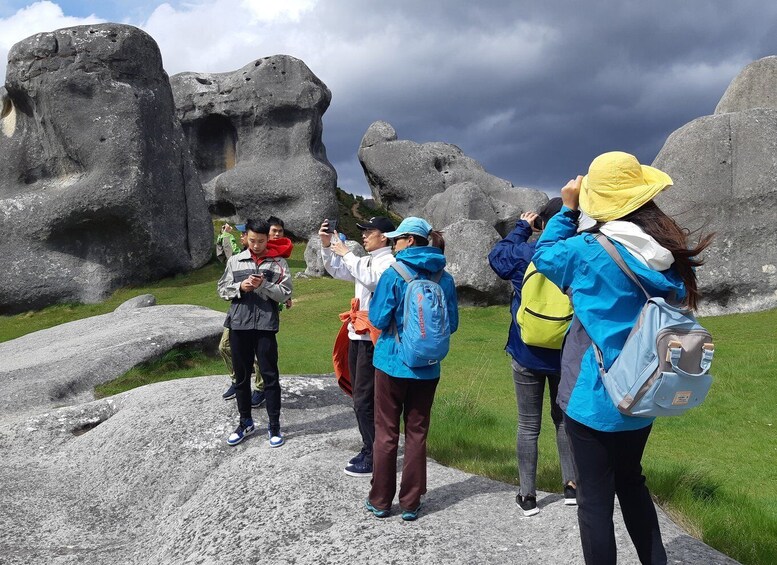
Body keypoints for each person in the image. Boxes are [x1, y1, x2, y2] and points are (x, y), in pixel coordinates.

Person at [532, 152, 712, 564]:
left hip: (595, 395)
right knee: (632, 481)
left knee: (594, 500)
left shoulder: (587, 251)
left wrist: (567, 208)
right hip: (647, 389)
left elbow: (544, 256)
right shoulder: (667, 253)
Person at [487, 198, 577, 517]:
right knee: (564, 420)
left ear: (543, 223)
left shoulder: (527, 252)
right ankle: (572, 486)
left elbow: (497, 258)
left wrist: (522, 228)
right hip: (566, 355)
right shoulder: (578, 254)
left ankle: (527, 496)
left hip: (526, 352)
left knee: (528, 425)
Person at [365, 217, 459, 521]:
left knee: (386, 432)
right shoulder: (444, 277)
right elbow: (452, 324)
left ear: (408, 240)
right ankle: (411, 502)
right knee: (417, 433)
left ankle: (380, 500)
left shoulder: (394, 273)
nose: (393, 244)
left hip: (392, 362)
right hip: (428, 367)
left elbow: (378, 319)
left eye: (397, 239)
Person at [319, 216, 397, 477]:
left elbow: (374, 281)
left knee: (365, 400)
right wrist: (327, 244)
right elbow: (339, 270)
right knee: (360, 395)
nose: (363, 235)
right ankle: (371, 448)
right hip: (358, 335)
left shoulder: (389, 261)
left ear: (384, 236)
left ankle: (375, 454)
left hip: (372, 340)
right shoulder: (368, 260)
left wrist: (346, 252)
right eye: (362, 231)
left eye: (369, 231)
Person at [217, 218, 293, 447]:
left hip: (266, 326)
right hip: (239, 325)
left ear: (268, 239)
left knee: (270, 376)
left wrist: (263, 286)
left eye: (261, 241)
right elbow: (222, 290)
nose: (257, 245)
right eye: (252, 240)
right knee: (241, 378)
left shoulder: (278, 262)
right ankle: (245, 422)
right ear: (246, 238)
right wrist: (240, 287)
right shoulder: (235, 260)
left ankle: (274, 426)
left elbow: (286, 293)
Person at [267, 215, 295, 311]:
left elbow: (281, 275)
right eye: (274, 231)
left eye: (280, 231)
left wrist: (287, 297)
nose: (277, 234)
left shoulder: (281, 251)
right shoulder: (260, 249)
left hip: (274, 300)